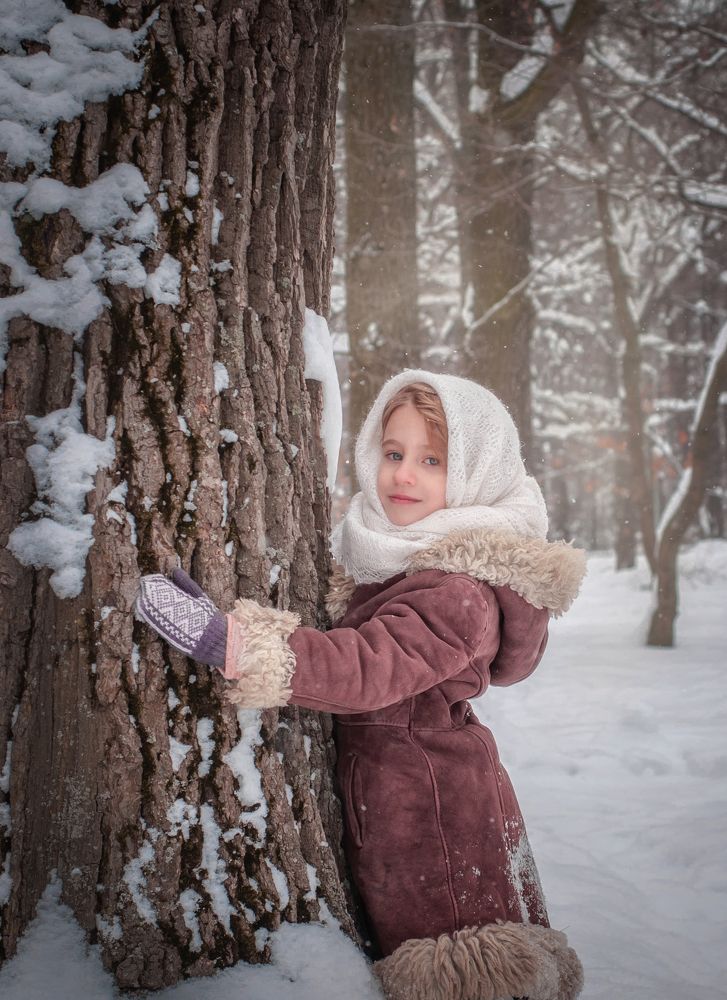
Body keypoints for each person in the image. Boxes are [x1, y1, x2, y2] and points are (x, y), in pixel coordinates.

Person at [136, 370, 587, 1000]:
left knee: (461, 969)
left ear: (476, 478)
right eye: (395, 453)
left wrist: (234, 644)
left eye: (434, 461)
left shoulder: (455, 592)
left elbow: (368, 667)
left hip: (435, 813)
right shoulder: (402, 563)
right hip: (407, 798)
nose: (404, 474)